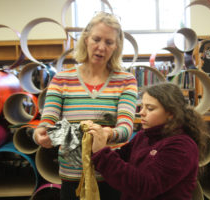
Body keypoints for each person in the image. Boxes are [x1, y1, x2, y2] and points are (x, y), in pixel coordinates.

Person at [33, 11, 138, 200]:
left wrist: (106, 134)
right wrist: (41, 132)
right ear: (86, 40)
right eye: (96, 39)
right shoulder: (62, 79)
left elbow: (125, 130)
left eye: (109, 42)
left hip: (112, 175)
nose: (101, 47)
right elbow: (48, 121)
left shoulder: (126, 80)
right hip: (72, 178)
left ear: (116, 46)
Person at [88, 82, 210, 200]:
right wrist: (96, 141)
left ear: (171, 113)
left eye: (150, 108)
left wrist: (101, 153)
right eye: (142, 107)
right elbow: (121, 157)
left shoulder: (182, 146)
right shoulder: (145, 135)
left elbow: (144, 186)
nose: (141, 112)